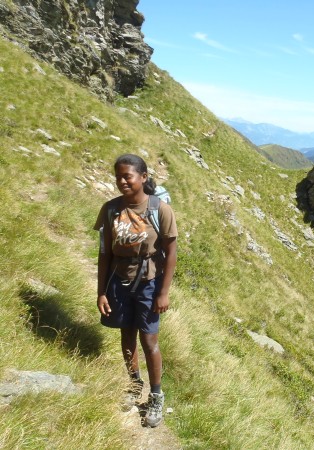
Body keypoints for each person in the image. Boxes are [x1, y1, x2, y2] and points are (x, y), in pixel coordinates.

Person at [94, 154, 177, 427]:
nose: (122, 181)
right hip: (118, 281)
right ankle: (133, 384)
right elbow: (104, 253)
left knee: (149, 340)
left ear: (143, 177)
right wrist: (101, 291)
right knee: (126, 334)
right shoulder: (110, 209)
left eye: (127, 176)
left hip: (149, 284)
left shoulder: (159, 209)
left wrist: (163, 292)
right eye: (118, 176)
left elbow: (171, 251)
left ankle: (156, 395)